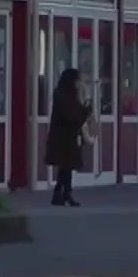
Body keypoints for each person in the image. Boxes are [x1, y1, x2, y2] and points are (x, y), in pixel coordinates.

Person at [45, 68, 91, 207]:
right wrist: (81, 115)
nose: (79, 83)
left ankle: (61, 193)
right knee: (66, 164)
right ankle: (64, 193)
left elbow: (79, 111)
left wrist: (86, 105)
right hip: (62, 136)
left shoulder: (71, 94)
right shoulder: (61, 95)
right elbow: (70, 114)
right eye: (77, 80)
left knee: (67, 166)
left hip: (69, 135)